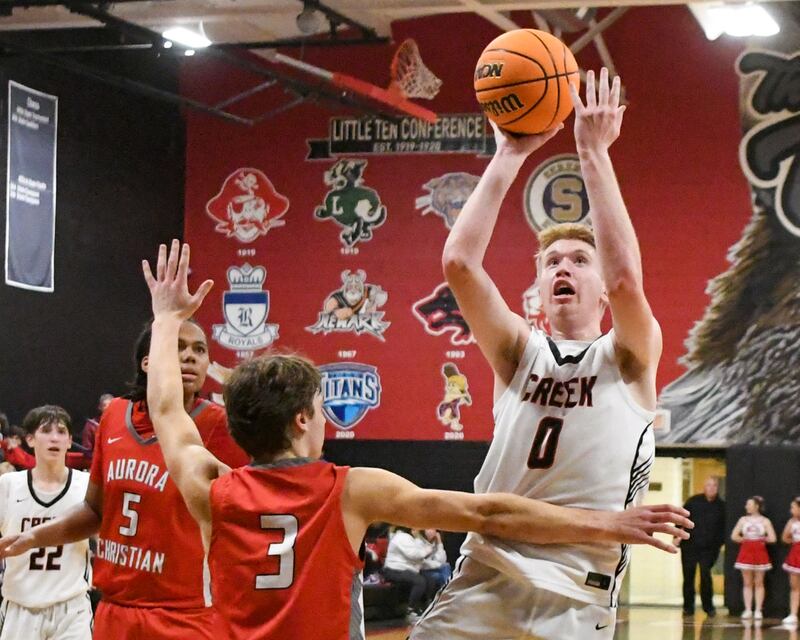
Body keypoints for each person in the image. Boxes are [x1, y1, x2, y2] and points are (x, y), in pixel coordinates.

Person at [139, 240, 691, 639]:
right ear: (303, 420)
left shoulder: (208, 488)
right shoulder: (352, 490)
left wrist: (165, 320)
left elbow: (167, 409)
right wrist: (607, 523)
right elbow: (493, 515)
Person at [412, 67, 663, 640]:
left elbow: (628, 282)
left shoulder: (628, 359)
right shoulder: (518, 354)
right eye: (552, 263)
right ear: (539, 286)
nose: (563, 268)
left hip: (574, 596)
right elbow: (459, 265)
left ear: (599, 287)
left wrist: (592, 152)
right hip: (484, 578)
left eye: (579, 259)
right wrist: (507, 154)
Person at [0, 320, 249, 639]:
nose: (190, 357)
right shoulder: (115, 415)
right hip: (115, 609)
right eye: (178, 347)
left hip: (186, 613)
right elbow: (95, 511)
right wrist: (35, 537)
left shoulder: (219, 424)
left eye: (199, 350)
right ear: (149, 361)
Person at [0, 405, 92, 640]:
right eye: (46, 430)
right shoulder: (9, 485)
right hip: (20, 605)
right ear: (29, 439)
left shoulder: (87, 485)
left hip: (72, 608)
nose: (54, 437)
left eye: (62, 432)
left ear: (71, 441)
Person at [674, 477, 726, 617]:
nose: (711, 488)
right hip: (689, 546)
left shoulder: (722, 506)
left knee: (705, 575)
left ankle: (708, 607)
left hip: (709, 549)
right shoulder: (693, 501)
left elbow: (723, 528)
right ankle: (688, 607)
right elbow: (681, 518)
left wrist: (719, 544)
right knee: (688, 577)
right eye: (709, 485)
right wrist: (676, 536)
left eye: (714, 485)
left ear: (717, 488)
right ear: (704, 487)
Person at [732, 496, 776, 620]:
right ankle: (747, 609)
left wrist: (761, 539)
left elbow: (772, 538)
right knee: (747, 582)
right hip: (746, 553)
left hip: (760, 553)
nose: (746, 506)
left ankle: (758, 610)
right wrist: (746, 540)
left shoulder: (765, 521)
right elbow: (734, 536)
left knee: (759, 582)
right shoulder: (743, 520)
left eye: (749, 504)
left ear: (756, 506)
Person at [382, 528, 436, 620]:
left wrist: (419, 538)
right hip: (394, 569)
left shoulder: (413, 538)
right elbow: (415, 555)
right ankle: (410, 610)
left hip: (407, 569)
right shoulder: (401, 537)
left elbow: (424, 551)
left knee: (430, 579)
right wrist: (427, 549)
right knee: (419, 581)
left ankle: (426, 608)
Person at [78, 393, 113, 463]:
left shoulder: (120, 425)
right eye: (105, 405)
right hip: (96, 464)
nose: (108, 408)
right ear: (100, 407)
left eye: (111, 406)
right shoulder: (91, 425)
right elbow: (87, 450)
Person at [781, 497, 800, 627]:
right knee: (794, 586)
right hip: (796, 554)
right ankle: (793, 614)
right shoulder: (792, 522)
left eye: (793, 507)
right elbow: (784, 537)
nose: (791, 510)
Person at [421, 529, 452, 595]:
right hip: (423, 570)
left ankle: (445, 593)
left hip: (436, 569)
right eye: (429, 528)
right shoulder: (419, 542)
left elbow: (442, 560)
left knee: (443, 570)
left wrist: (439, 542)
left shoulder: (435, 543)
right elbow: (422, 563)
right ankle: (448, 593)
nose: (432, 531)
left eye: (434, 528)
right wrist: (439, 565)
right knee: (441, 572)